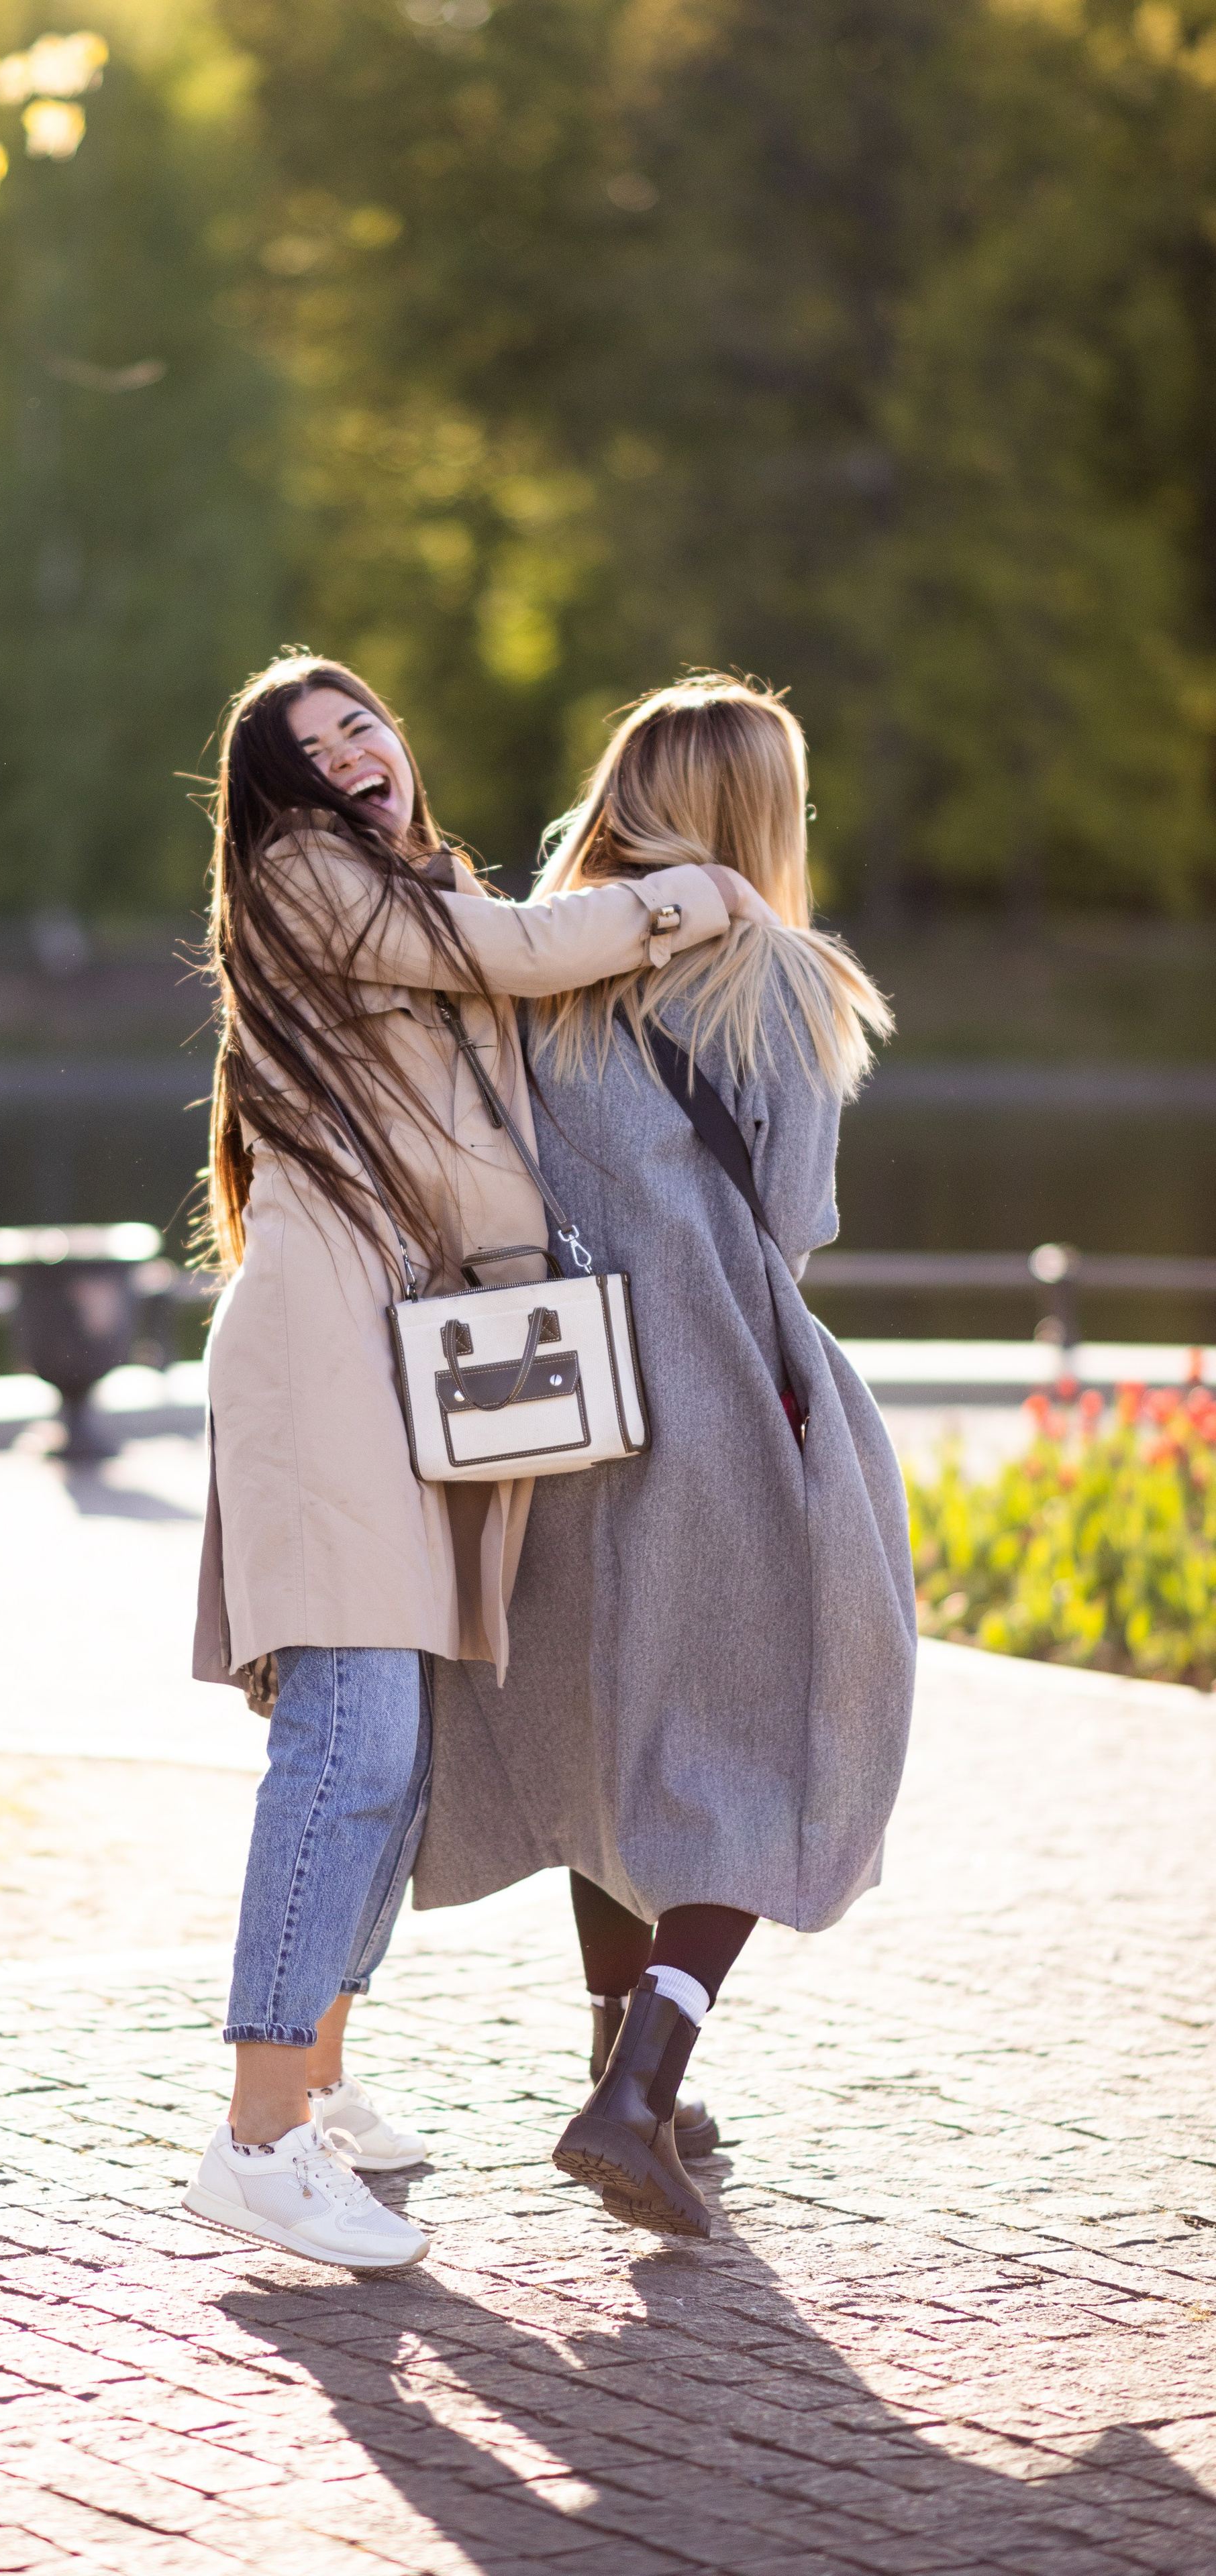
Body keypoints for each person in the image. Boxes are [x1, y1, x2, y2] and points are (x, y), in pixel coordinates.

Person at [182, 651, 747, 2271]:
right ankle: (255, 2139)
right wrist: (693, 893)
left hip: (390, 1356)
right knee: (345, 1746)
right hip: (321, 1355)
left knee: (391, 1749)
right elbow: (516, 953)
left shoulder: (401, 894)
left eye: (361, 722)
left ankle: (314, 2083)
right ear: (280, 798)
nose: (352, 753)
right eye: (314, 748)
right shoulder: (308, 878)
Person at [416, 675, 916, 2239]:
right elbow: (795, 1219)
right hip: (714, 1402)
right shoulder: (781, 980)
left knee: (606, 1725)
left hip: (551, 1405)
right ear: (756, 815)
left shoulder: (532, 968)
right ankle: (637, 2092)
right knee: (775, 1731)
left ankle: (615, 2061)